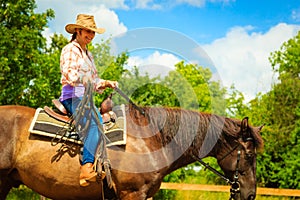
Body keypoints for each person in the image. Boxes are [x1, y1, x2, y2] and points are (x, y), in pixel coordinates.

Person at [58, 14, 118, 187]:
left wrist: (105, 83)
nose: (90, 36)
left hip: (86, 97)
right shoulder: (70, 49)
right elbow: (69, 74)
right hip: (73, 95)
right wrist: (85, 80)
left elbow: (94, 80)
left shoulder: (89, 55)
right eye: (87, 31)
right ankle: (86, 168)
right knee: (95, 124)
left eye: (93, 33)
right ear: (78, 30)